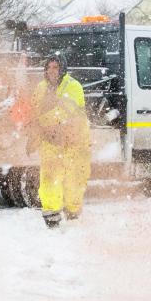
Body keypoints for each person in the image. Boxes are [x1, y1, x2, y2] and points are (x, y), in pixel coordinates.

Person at [29, 55, 91, 228]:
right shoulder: (41, 87)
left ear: (62, 69)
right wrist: (32, 130)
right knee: (49, 179)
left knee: (74, 180)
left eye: (55, 67)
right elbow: (34, 110)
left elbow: (64, 111)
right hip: (51, 141)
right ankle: (52, 216)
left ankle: (73, 216)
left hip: (74, 141)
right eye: (49, 67)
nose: (51, 71)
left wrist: (40, 122)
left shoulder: (73, 86)